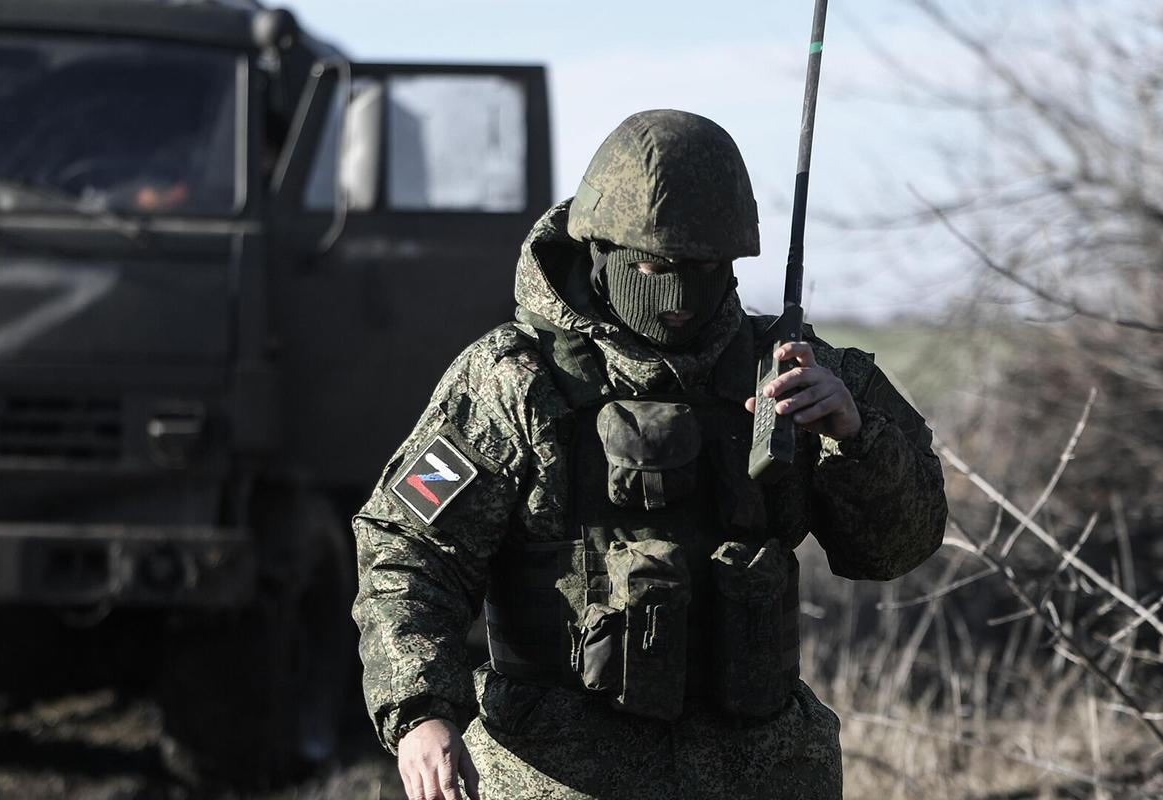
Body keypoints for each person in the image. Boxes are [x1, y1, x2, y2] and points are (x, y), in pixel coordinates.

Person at [352, 109, 947, 800]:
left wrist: (854, 438)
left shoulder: (798, 374)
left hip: (761, 772)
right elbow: (407, 548)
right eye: (656, 267)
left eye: (702, 269)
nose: (677, 296)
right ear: (601, 250)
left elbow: (897, 549)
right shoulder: (512, 381)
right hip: (557, 772)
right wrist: (420, 712)